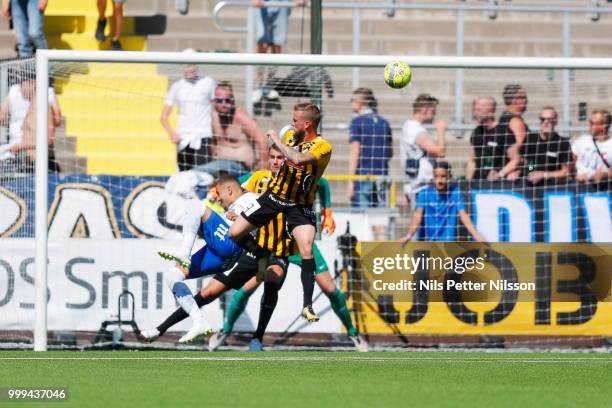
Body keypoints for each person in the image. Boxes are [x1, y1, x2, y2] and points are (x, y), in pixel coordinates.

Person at [208, 145, 367, 352]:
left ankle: (353, 333)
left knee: (329, 288)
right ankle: (227, 331)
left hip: (298, 244)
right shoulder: (257, 178)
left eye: (280, 158)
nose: (275, 162)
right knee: (246, 289)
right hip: (270, 244)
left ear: (288, 161)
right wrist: (216, 194)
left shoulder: (299, 178)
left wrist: (327, 212)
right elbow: (230, 187)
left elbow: (324, 183)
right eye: (272, 157)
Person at [228, 103, 332, 323]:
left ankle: (307, 305)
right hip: (273, 197)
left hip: (300, 206)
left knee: (306, 249)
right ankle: (262, 255)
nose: (292, 123)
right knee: (235, 233)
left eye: (295, 120)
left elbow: (298, 159)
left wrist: (276, 139)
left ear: (307, 124)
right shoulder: (292, 137)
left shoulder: (323, 147)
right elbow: (282, 155)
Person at [157, 174, 258, 343]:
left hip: (231, 243)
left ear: (230, 190)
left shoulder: (251, 198)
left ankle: (184, 251)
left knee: (194, 205)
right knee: (173, 275)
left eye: (218, 194)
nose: (217, 199)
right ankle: (199, 321)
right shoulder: (234, 208)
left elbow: (266, 210)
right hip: (225, 259)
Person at [401, 162, 487, 243]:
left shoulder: (455, 193)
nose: (440, 180)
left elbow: (463, 215)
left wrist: (476, 236)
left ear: (449, 176)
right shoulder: (425, 194)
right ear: (433, 177)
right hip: (428, 243)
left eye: (443, 176)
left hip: (447, 244)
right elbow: (418, 216)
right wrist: (409, 235)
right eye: (436, 176)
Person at [347, 88, 393, 240]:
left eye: (353, 100)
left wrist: (350, 181)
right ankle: (382, 258)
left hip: (363, 177)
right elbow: (390, 152)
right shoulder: (384, 123)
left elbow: (355, 152)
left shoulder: (357, 122)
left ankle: (364, 261)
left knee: (362, 221)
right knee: (380, 223)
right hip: (381, 176)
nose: (351, 103)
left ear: (361, 102)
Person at [161, 55, 216, 172]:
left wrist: (216, 134)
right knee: (184, 176)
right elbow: (164, 116)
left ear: (197, 65)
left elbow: (214, 109)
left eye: (192, 65)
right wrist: (172, 133)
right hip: (183, 137)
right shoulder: (177, 86)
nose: (190, 69)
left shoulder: (208, 82)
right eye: (187, 65)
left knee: (204, 175)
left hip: (203, 136)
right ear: (182, 67)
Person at [0, 74, 61, 172]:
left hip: (41, 164)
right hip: (26, 161)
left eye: (23, 86)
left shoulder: (45, 107)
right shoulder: (18, 96)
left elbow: (49, 140)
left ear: (33, 84)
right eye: (20, 87)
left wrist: (21, 146)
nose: (21, 90)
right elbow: (2, 117)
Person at [400, 93, 446, 205]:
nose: (434, 115)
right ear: (425, 109)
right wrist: (441, 131)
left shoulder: (412, 127)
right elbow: (440, 151)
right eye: (433, 112)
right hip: (422, 186)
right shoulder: (415, 129)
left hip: (420, 184)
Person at [211, 81, 267, 171]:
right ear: (214, 101)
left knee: (198, 173)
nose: (223, 104)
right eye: (219, 100)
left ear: (232, 100)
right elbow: (213, 142)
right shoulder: (214, 117)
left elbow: (262, 141)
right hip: (219, 166)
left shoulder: (240, 117)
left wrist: (263, 171)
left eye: (227, 100)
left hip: (240, 167)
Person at [483, 84, 528, 180]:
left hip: (501, 172)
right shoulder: (515, 121)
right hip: (510, 175)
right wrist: (519, 171)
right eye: (523, 97)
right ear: (515, 100)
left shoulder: (503, 118)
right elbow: (525, 151)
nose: (526, 101)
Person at [520, 106, 571, 185]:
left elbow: (566, 172)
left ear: (556, 121)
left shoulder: (562, 143)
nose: (546, 122)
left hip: (552, 186)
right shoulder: (531, 138)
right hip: (530, 184)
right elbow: (528, 160)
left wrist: (543, 175)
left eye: (550, 120)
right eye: (543, 119)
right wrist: (531, 171)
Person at [466, 96, 502, 180]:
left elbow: (516, 159)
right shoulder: (476, 131)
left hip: (498, 183)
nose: (475, 113)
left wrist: (500, 173)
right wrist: (467, 182)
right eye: (474, 110)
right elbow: (472, 160)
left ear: (490, 111)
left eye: (478, 110)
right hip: (478, 182)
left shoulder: (503, 130)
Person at [572, 109, 612, 182]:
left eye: (592, 123)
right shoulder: (582, 141)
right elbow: (571, 162)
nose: (589, 125)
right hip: (579, 185)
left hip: (603, 186)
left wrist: (605, 175)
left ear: (603, 126)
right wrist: (575, 175)